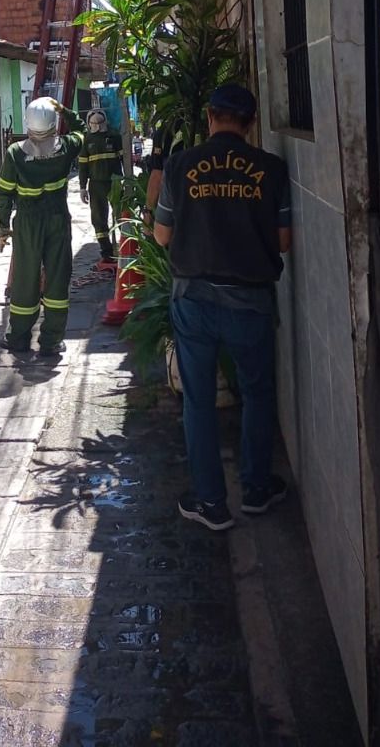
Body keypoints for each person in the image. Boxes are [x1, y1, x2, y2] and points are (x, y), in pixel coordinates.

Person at [153, 83, 291, 531]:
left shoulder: (180, 166)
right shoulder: (271, 169)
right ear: (250, 124)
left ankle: (211, 503)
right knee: (256, 393)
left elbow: (162, 235)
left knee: (198, 401)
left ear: (210, 117)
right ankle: (255, 489)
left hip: (193, 301)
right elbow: (284, 242)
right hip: (250, 300)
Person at [0, 96, 85, 355]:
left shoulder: (15, 153)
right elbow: (81, 130)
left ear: (28, 122)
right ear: (54, 122)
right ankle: (51, 341)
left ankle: (19, 338)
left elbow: (4, 193)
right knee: (58, 276)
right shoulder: (66, 147)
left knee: (25, 278)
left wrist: (3, 227)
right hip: (57, 219)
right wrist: (65, 108)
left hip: (27, 221)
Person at [78, 108, 123, 263]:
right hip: (96, 185)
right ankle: (106, 252)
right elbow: (83, 166)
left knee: (121, 215)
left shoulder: (114, 136)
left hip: (115, 181)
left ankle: (125, 247)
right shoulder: (87, 140)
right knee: (99, 218)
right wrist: (82, 187)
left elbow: (125, 159)